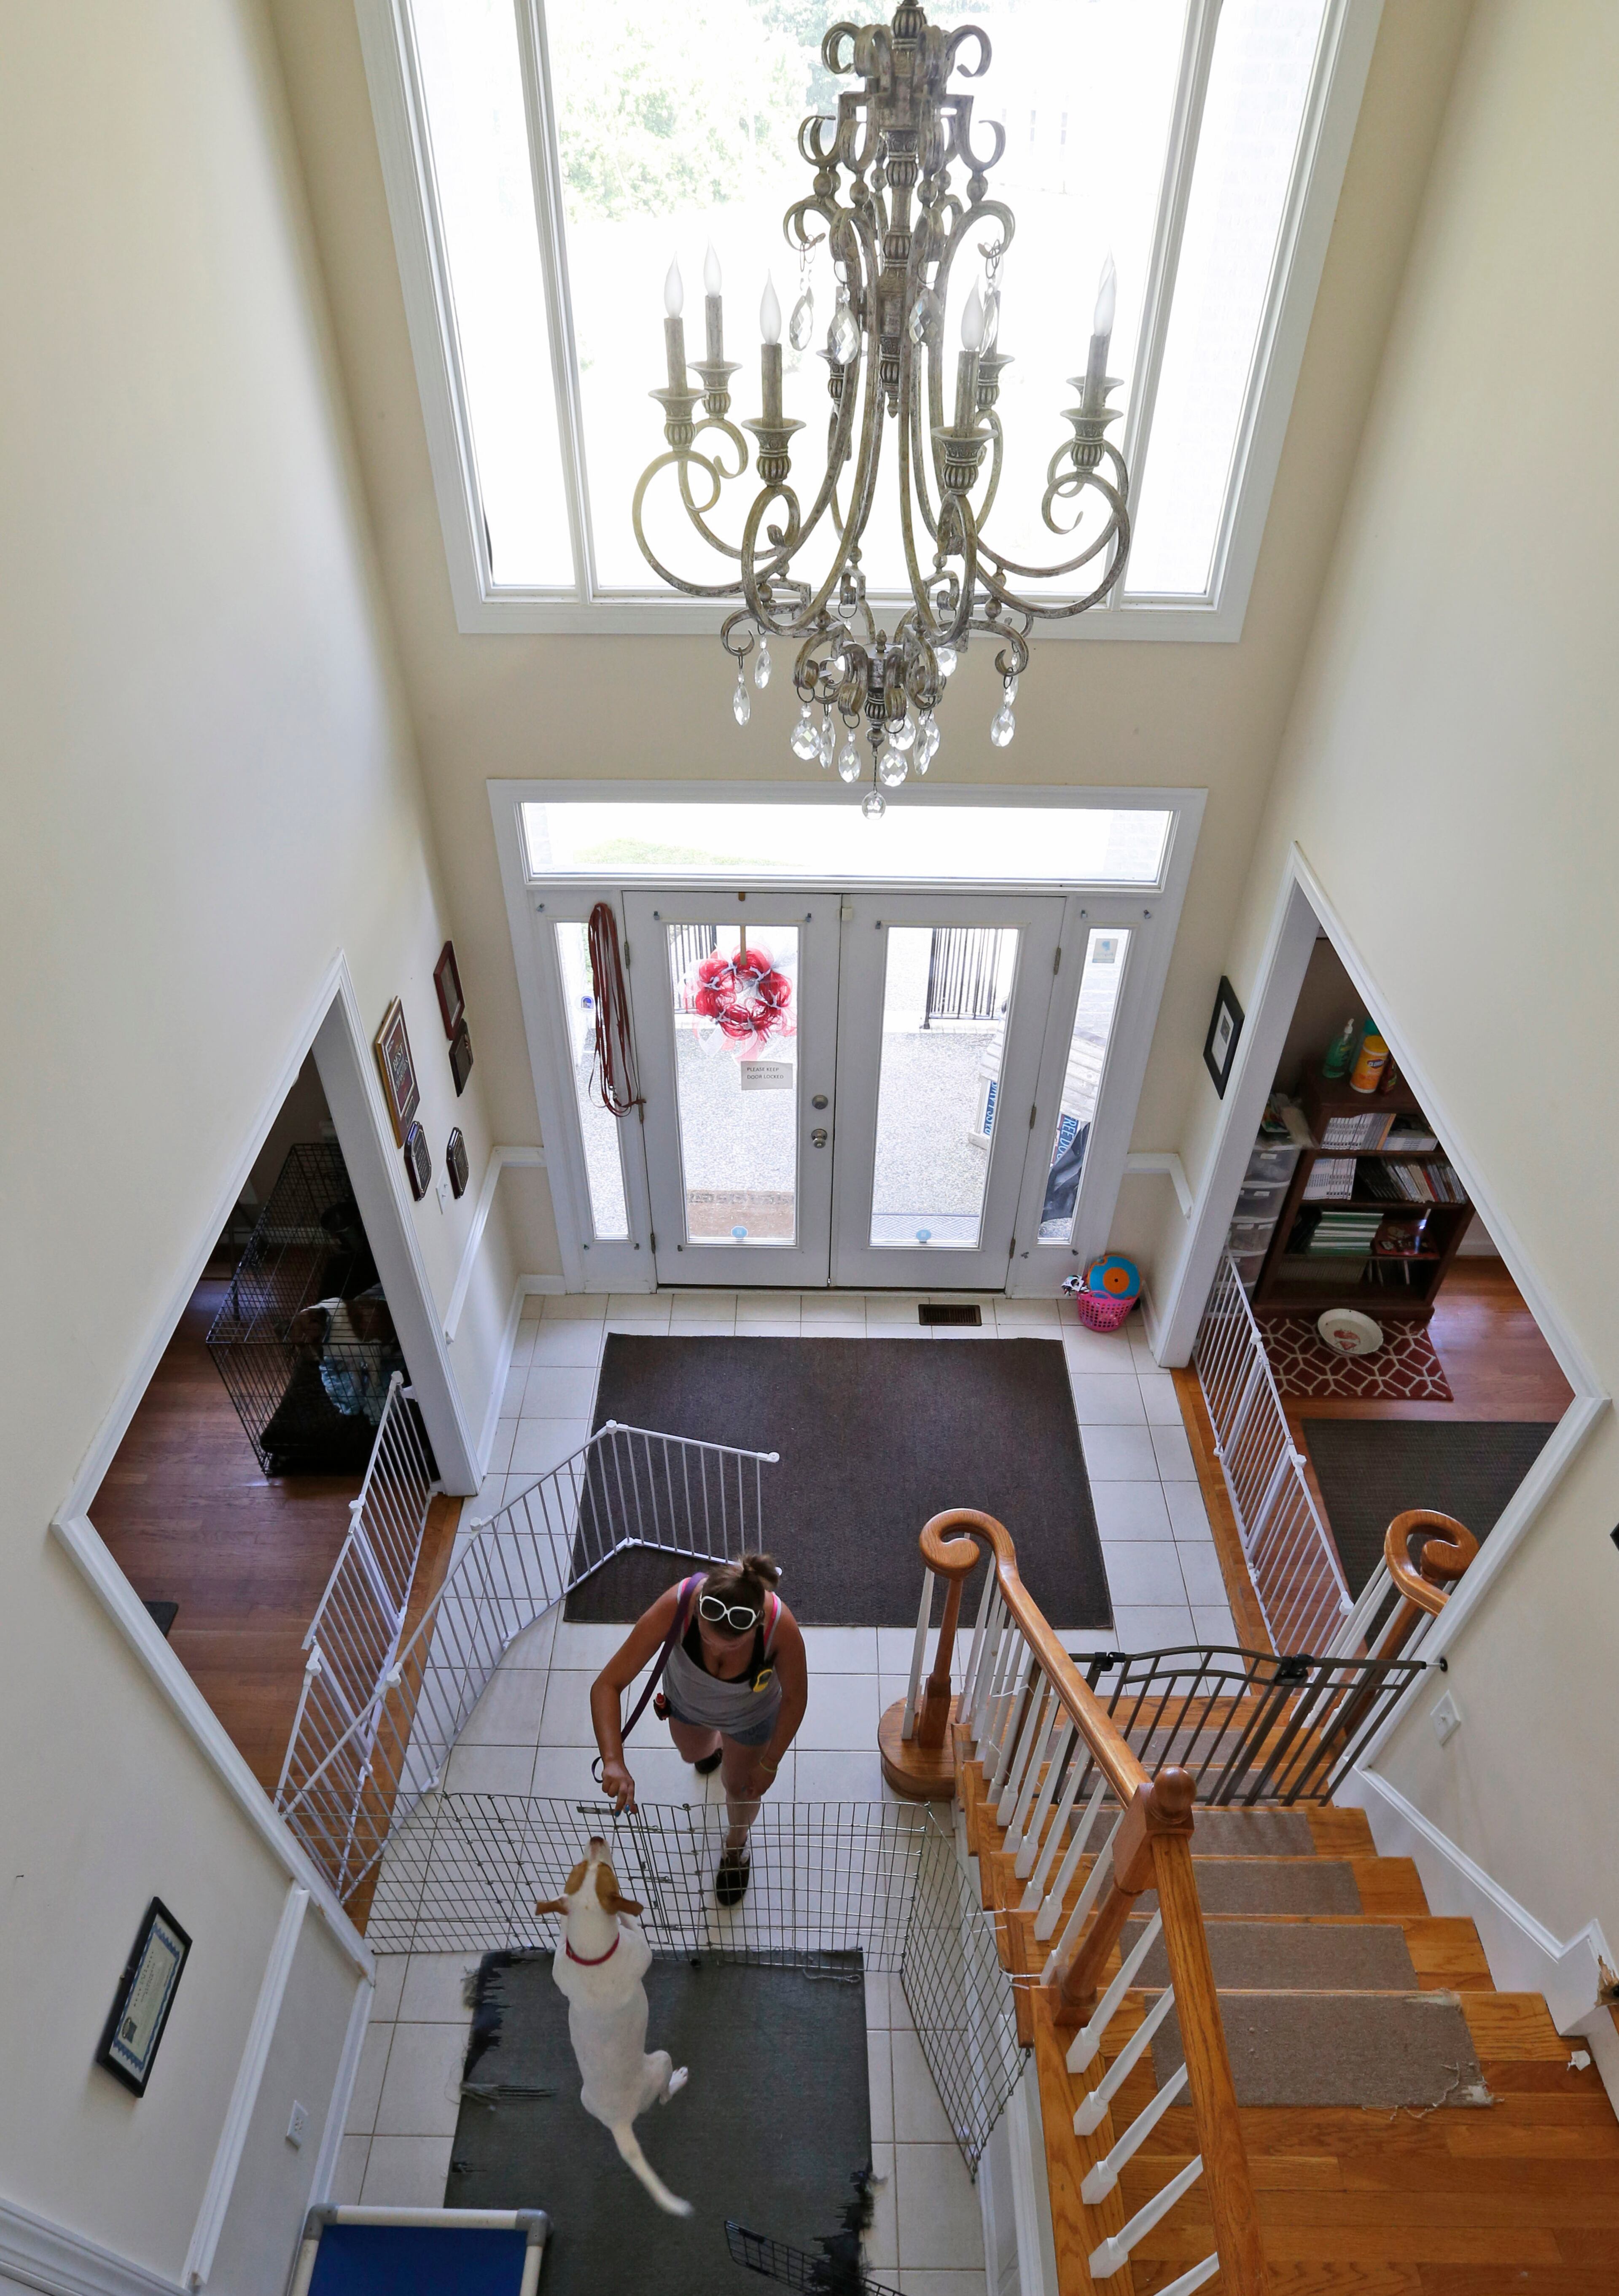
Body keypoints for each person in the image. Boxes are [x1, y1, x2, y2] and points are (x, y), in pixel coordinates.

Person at [590, 1554, 806, 1907]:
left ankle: (736, 1847)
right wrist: (613, 1760)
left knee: (741, 1787)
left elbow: (796, 1700)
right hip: (688, 1708)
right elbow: (607, 1685)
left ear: (758, 1625)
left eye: (732, 1646)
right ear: (697, 1613)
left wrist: (770, 1763)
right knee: (693, 1754)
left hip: (750, 1720)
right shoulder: (678, 1603)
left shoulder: (782, 1628)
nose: (718, 1649)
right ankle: (717, 1751)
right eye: (708, 1640)